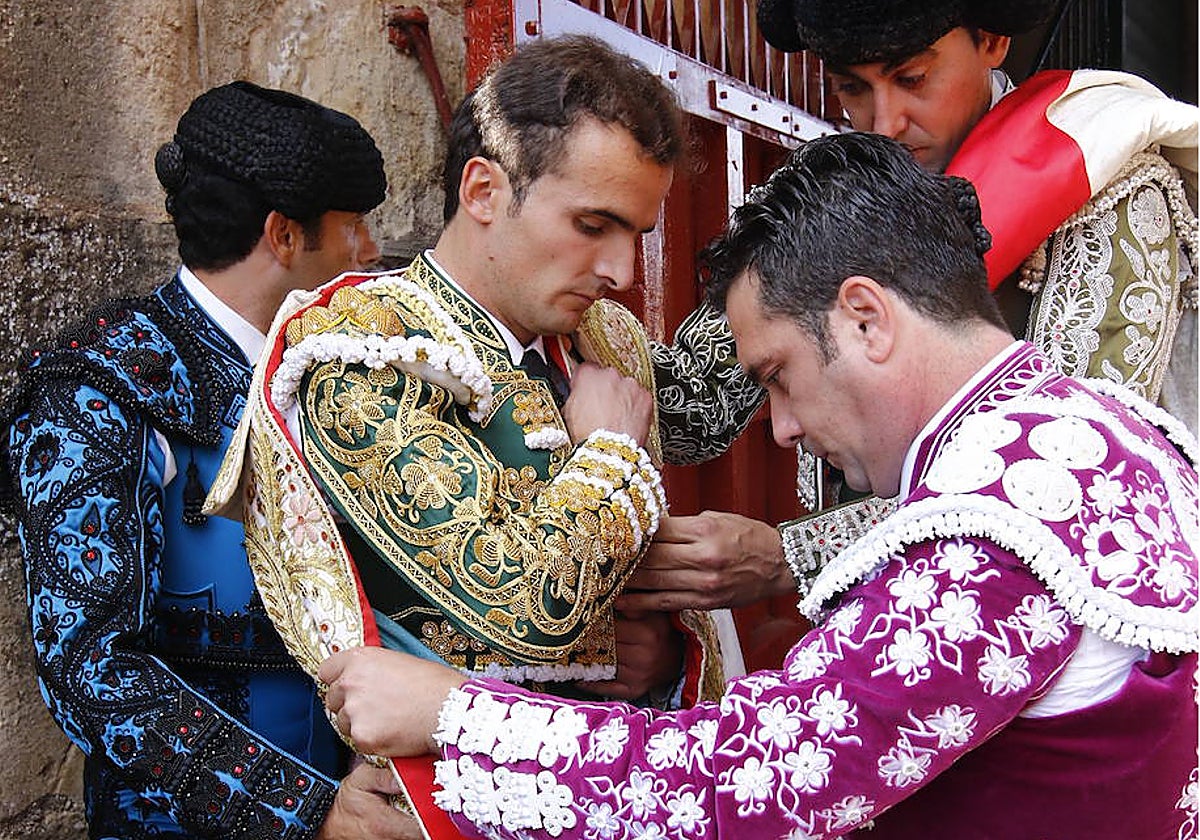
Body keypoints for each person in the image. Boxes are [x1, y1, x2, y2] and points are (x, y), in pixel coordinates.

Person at [316, 131, 1199, 839]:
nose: (779, 426)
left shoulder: (991, 530)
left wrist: (458, 717)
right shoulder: (1112, 429)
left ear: (865, 318)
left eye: (775, 374)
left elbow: (756, 782)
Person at [205, 35, 728, 833]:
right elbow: (526, 606)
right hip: (444, 803)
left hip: (608, 784)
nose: (623, 268)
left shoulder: (605, 340)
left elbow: (708, 423)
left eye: (638, 234)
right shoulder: (361, 349)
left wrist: (653, 654)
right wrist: (610, 452)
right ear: (483, 189)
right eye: (594, 224)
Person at [624, 0, 1199, 623]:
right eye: (852, 87)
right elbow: (693, 412)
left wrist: (791, 554)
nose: (884, 122)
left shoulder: (1108, 176)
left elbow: (1072, 476)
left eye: (912, 79)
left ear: (992, 40)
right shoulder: (839, 191)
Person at [0, 81, 413, 838]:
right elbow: (89, 669)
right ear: (283, 236)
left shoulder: (345, 375)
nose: (370, 251)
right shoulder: (97, 391)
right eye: (353, 226)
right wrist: (309, 814)